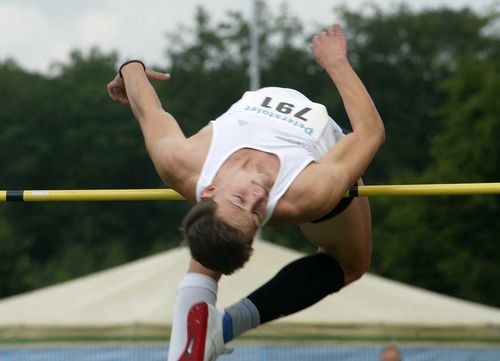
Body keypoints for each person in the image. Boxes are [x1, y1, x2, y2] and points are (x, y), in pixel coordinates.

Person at [107, 24, 385, 361]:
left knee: (211, 234)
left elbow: (149, 111)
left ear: (208, 189)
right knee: (349, 264)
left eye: (241, 199)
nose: (257, 195)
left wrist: (130, 68)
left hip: (227, 175)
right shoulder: (306, 194)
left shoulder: (182, 162)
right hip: (314, 161)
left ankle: (196, 338)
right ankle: (224, 325)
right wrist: (336, 62)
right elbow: (369, 133)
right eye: (257, 213)